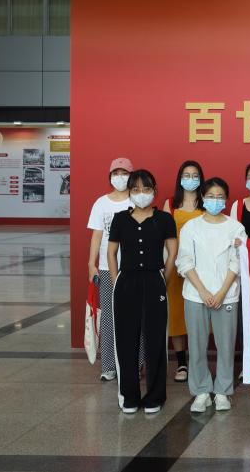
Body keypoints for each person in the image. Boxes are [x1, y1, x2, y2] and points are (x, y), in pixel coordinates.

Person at [107, 169, 177, 414]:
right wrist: (116, 281)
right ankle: (129, 396)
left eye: (146, 189)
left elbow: (172, 252)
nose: (141, 194)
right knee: (125, 340)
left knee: (156, 340)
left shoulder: (164, 219)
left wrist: (163, 280)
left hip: (154, 280)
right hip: (126, 282)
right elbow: (111, 253)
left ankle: (155, 396)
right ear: (129, 192)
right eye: (135, 189)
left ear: (154, 191)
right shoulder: (120, 219)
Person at [176, 177, 246, 413]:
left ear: (226, 199)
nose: (215, 201)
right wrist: (203, 291)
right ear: (202, 198)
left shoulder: (235, 227)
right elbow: (185, 261)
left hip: (226, 295)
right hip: (196, 295)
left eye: (220, 197)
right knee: (196, 345)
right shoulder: (191, 227)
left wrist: (222, 292)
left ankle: (223, 391)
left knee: (226, 346)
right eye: (211, 196)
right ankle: (201, 391)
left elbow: (237, 261)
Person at [86, 157, 139, 382]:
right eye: (116, 173)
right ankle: (108, 366)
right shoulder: (101, 203)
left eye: (124, 173)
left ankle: (136, 364)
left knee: (135, 317)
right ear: (110, 177)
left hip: (133, 267)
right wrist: (92, 264)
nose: (120, 177)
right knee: (108, 317)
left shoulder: (137, 200)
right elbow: (97, 235)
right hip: (107, 268)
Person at [162, 160, 205, 383]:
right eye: (186, 175)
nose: (190, 179)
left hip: (202, 271)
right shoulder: (170, 204)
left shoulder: (208, 201)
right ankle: (181, 363)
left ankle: (199, 361)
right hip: (176, 269)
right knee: (177, 316)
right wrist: (172, 265)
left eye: (194, 175)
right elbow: (164, 238)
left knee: (200, 317)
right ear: (180, 178)